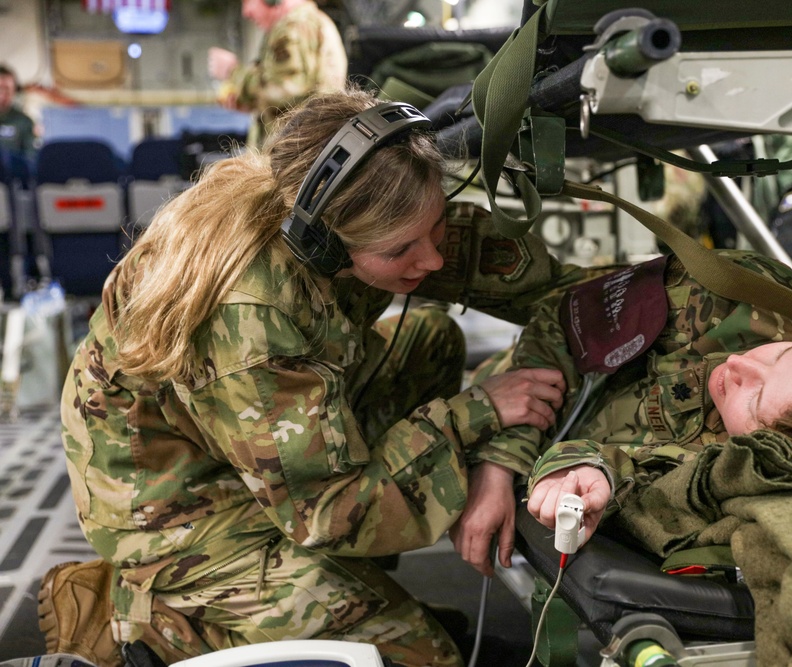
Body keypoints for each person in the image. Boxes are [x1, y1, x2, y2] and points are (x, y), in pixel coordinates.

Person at [41, 87, 569, 667]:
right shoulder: (251, 317)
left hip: (243, 435)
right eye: (401, 251)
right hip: (179, 504)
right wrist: (479, 412)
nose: (432, 261)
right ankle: (150, 625)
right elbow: (328, 513)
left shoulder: (339, 200)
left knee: (430, 341)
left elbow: (545, 284)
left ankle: (338, 596)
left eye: (436, 227)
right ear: (322, 244)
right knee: (419, 657)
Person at [450, 249, 792, 574]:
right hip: (517, 383)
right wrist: (500, 465)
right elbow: (560, 317)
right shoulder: (733, 298)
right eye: (775, 356)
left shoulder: (737, 466)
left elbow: (637, 469)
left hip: (558, 437)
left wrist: (580, 468)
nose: (738, 365)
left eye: (754, 401)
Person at [208, 0, 348, 148]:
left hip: (295, 152)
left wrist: (233, 72)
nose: (245, 12)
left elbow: (284, 88)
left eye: (248, 2)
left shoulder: (296, 26)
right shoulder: (298, 24)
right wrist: (250, 101)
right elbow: (288, 97)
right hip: (295, 150)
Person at [0, 64, 37, 160]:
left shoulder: (24, 122)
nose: (2, 96)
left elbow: (31, 158)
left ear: (14, 91)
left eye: (7, 90)